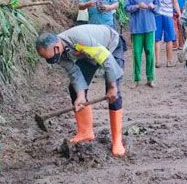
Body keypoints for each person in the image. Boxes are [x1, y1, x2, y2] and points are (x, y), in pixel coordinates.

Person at [36, 24, 126, 156]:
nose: (49, 61)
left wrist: (112, 87)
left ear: (56, 47)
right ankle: (85, 132)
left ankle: (117, 141)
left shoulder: (78, 39)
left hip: (110, 47)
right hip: (88, 55)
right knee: (74, 89)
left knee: (114, 94)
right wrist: (81, 96)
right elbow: (74, 73)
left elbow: (104, 57)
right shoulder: (58, 54)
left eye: (49, 57)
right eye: (46, 59)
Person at [125, 0, 160, 87]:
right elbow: (126, 7)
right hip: (137, 27)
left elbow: (158, 8)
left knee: (150, 53)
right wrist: (137, 6)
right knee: (137, 53)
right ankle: (136, 79)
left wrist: (153, 7)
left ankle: (150, 78)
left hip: (150, 26)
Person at [151, 0, 181, 68]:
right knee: (169, 38)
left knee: (157, 39)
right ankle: (169, 61)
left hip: (157, 13)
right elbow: (175, 1)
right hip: (168, 14)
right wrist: (179, 13)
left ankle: (157, 62)